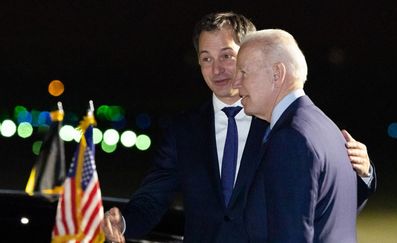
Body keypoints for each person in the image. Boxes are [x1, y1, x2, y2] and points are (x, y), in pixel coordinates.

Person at [102, 12, 376, 243]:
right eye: (206, 59)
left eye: (226, 56)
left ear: (248, 53)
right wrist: (124, 223)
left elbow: (324, 203)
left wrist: (363, 175)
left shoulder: (285, 125)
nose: (217, 69)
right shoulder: (183, 130)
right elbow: (153, 198)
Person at [234, 29, 360, 242]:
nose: (236, 83)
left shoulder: (290, 138)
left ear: (277, 74)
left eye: (244, 72)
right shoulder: (324, 126)